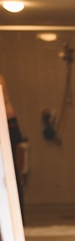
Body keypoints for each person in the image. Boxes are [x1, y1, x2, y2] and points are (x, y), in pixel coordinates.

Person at [1, 73, 25, 214]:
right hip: (7, 124)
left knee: (10, 170)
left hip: (7, 125)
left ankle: (17, 216)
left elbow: (2, 100)